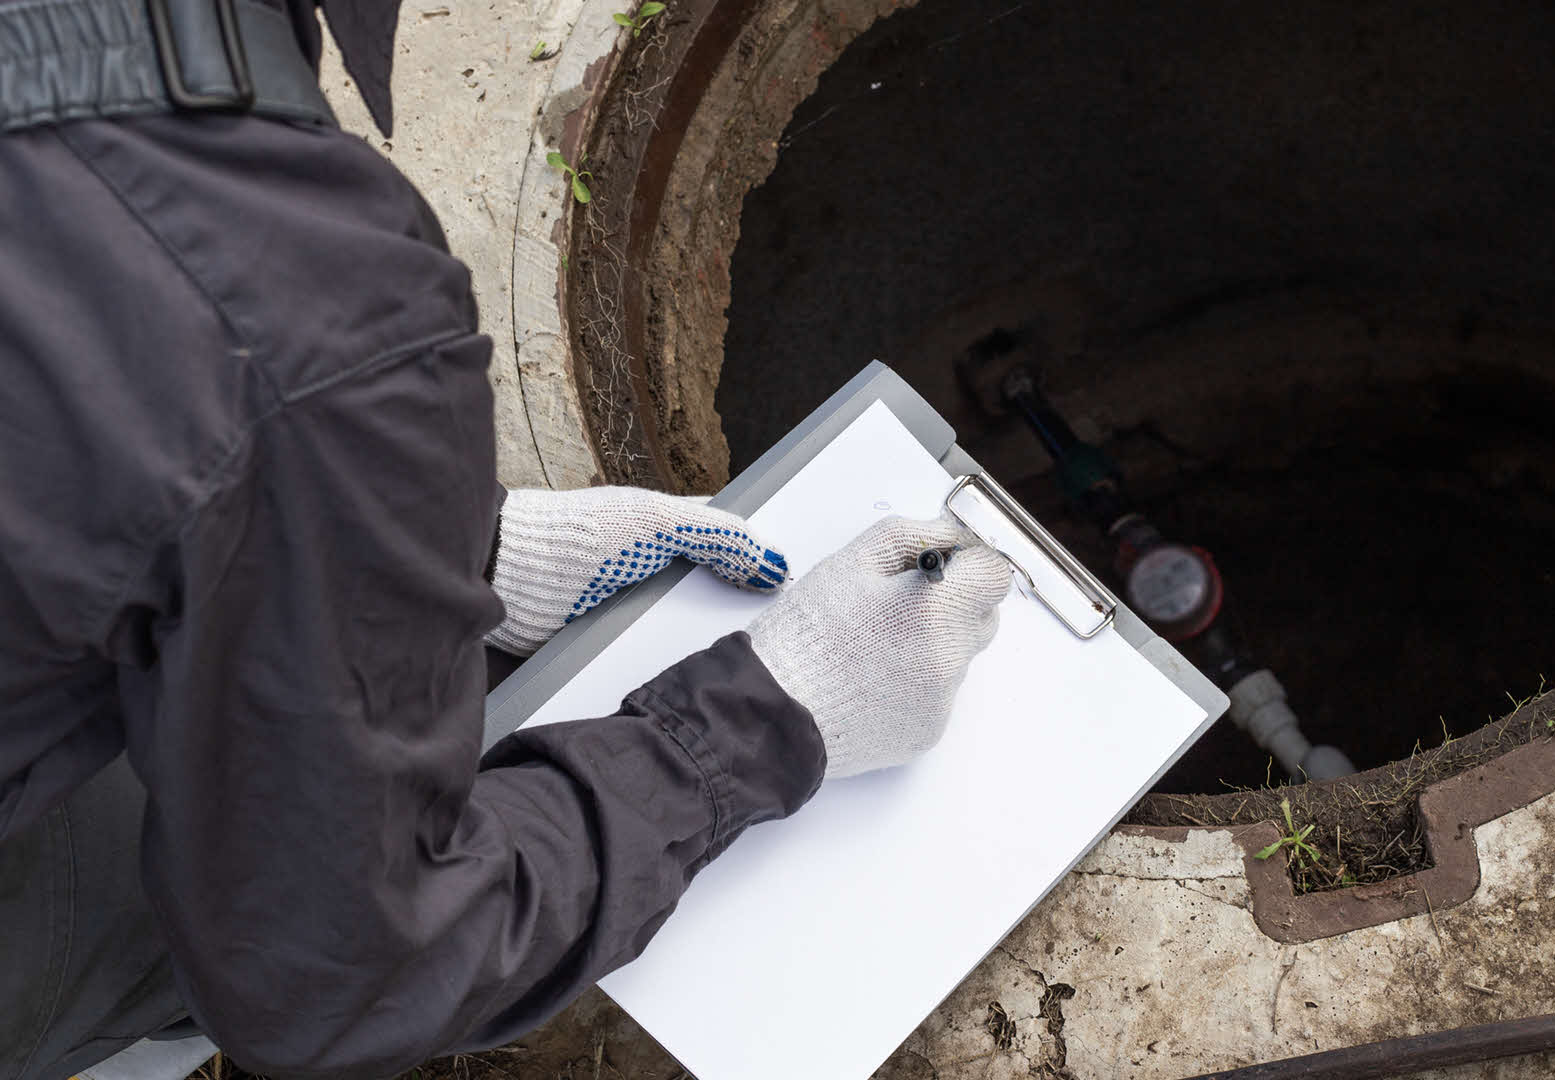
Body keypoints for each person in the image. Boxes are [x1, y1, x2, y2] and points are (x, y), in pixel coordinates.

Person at [0, 0, 1012, 1077]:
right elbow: (341, 982)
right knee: (226, 890)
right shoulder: (286, 302)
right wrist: (760, 725)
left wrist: (442, 546)